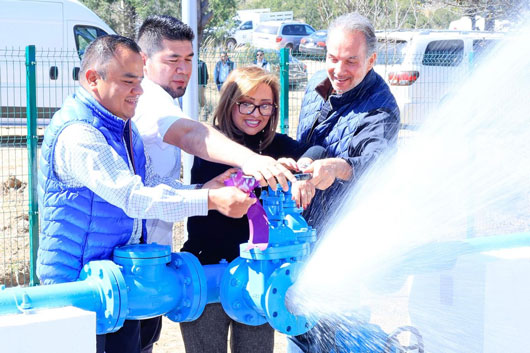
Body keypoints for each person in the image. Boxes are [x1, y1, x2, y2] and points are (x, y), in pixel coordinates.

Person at [36, 35, 256, 353]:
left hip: (115, 287)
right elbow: (133, 196)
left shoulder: (122, 126)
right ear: (92, 78)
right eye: (129, 81)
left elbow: (149, 182)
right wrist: (209, 201)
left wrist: (203, 190)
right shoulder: (79, 134)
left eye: (140, 81)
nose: (139, 91)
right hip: (77, 294)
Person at [179, 66, 321, 353]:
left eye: (265, 105)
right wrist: (264, 169)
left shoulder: (277, 145)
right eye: (246, 103)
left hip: (259, 273)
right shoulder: (210, 144)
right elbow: (231, 183)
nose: (255, 113)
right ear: (229, 103)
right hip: (207, 272)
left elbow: (317, 151)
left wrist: (302, 166)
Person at [289, 12, 400, 353]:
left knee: (335, 338)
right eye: (332, 58)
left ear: (371, 60)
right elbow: (308, 140)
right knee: (299, 333)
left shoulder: (380, 109)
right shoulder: (317, 87)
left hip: (341, 251)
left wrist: (339, 167)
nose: (338, 70)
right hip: (303, 241)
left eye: (351, 61)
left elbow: (375, 164)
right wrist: (305, 160)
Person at [134, 15, 297, 249]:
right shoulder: (150, 100)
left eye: (189, 59)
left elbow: (155, 187)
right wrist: (250, 160)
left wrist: (202, 191)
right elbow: (190, 135)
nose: (183, 69)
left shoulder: (163, 98)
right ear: (144, 60)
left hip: (150, 251)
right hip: (135, 254)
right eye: (173, 60)